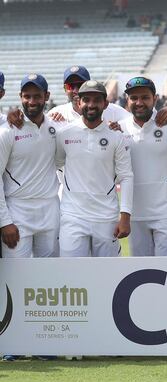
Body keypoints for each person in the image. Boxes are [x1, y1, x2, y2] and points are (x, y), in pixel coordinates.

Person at [54, 80, 133, 257]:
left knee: (108, 277)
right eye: (86, 99)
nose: (91, 105)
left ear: (105, 104)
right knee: (72, 275)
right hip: (72, 217)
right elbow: (57, 163)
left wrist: (125, 217)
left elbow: (126, 176)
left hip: (106, 217)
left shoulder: (116, 136)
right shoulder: (64, 133)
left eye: (97, 100)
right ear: (78, 102)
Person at [119, 76, 167, 256]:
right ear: (127, 100)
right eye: (134, 98)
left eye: (145, 97)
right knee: (142, 273)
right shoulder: (118, 129)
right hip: (135, 216)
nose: (139, 102)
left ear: (155, 99)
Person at [0, 74, 60, 258]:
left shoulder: (57, 128)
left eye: (37, 96)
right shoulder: (7, 131)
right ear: (20, 97)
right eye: (27, 96)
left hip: (50, 210)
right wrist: (4, 221)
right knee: (17, 278)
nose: (32, 101)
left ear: (46, 96)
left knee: (51, 276)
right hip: (17, 212)